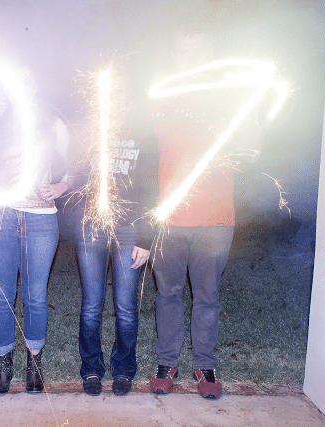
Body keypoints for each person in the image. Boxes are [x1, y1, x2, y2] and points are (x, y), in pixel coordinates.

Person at [149, 25, 239, 399]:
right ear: (174, 56)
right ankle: (166, 361)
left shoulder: (231, 95)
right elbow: (145, 158)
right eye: (183, 52)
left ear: (211, 53)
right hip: (169, 218)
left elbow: (253, 144)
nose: (191, 60)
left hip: (216, 217)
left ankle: (204, 364)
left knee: (207, 297)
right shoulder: (158, 96)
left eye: (198, 51)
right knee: (167, 294)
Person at [0, 87, 69, 395]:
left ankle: (33, 361)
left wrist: (62, 185)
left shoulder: (53, 122)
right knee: (0, 296)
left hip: (40, 217)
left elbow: (76, 164)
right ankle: (4, 363)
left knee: (35, 296)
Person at [73, 79, 158, 397]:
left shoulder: (143, 137)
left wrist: (147, 238)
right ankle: (91, 369)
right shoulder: (90, 137)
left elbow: (152, 188)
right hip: (91, 230)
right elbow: (76, 179)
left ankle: (123, 369)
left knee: (125, 307)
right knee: (91, 306)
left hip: (129, 232)